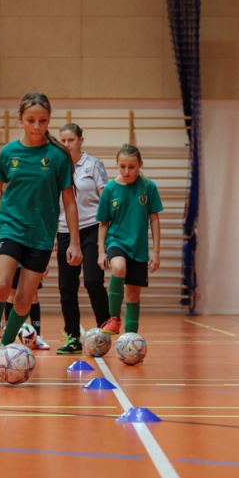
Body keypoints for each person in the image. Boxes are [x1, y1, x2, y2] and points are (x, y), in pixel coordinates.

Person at [0, 92, 81, 386]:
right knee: (0, 285)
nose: (37, 126)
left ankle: (3, 350)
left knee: (23, 300)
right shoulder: (9, 152)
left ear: (49, 120)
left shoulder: (58, 156)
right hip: (10, 227)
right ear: (20, 119)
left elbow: (69, 201)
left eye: (43, 120)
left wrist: (73, 241)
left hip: (42, 234)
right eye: (31, 120)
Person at [54, 123, 111, 353]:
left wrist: (108, 233)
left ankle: (104, 329)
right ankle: (72, 338)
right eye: (63, 140)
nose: (67, 144)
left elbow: (105, 199)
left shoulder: (93, 164)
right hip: (64, 230)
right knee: (66, 287)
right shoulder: (57, 167)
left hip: (92, 228)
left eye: (71, 140)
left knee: (93, 281)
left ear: (81, 140)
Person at [98, 143, 163, 336]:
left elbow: (154, 219)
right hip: (116, 241)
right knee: (118, 268)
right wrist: (101, 252)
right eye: (122, 166)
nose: (127, 171)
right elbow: (103, 223)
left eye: (132, 167)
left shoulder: (148, 187)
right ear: (117, 165)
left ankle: (131, 338)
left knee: (133, 296)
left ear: (140, 164)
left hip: (138, 247)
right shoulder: (110, 189)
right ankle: (113, 319)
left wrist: (156, 252)